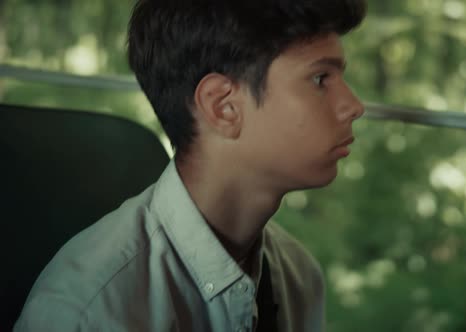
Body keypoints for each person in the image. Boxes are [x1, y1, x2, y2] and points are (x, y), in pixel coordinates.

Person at [14, 0, 366, 331]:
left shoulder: (298, 276)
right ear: (222, 107)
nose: (353, 106)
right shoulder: (90, 312)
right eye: (320, 79)